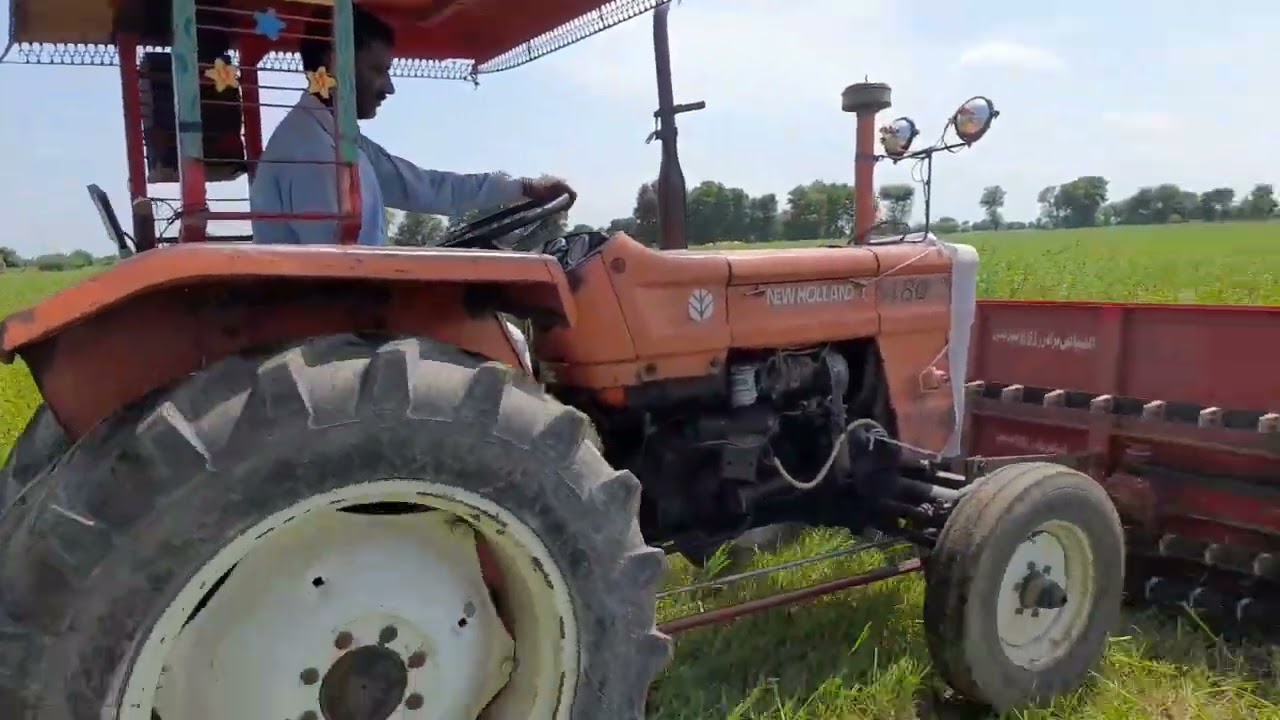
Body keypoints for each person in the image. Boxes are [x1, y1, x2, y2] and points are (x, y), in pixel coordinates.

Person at [249, 6, 574, 246]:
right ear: (335, 63)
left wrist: (523, 187)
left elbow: (426, 187)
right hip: (332, 316)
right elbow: (345, 273)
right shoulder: (314, 154)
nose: (389, 88)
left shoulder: (340, 140)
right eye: (378, 70)